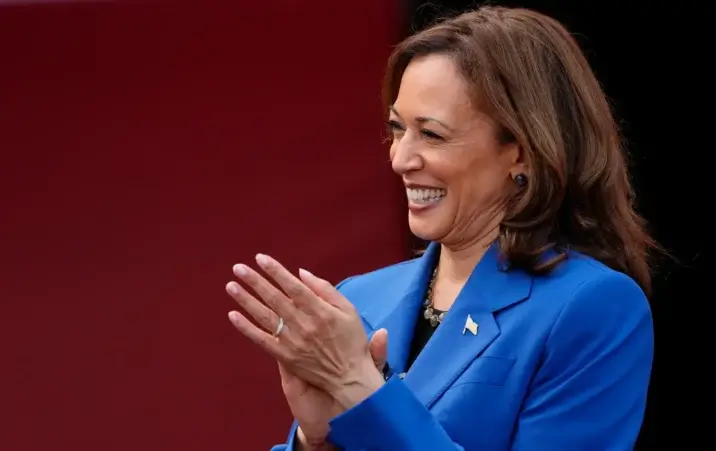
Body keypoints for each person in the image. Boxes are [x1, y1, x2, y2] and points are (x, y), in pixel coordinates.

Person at [225, 5, 658, 451]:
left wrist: (359, 390)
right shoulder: (355, 301)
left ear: (523, 152)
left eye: (431, 134)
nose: (400, 159)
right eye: (397, 129)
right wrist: (316, 442)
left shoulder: (591, 307)